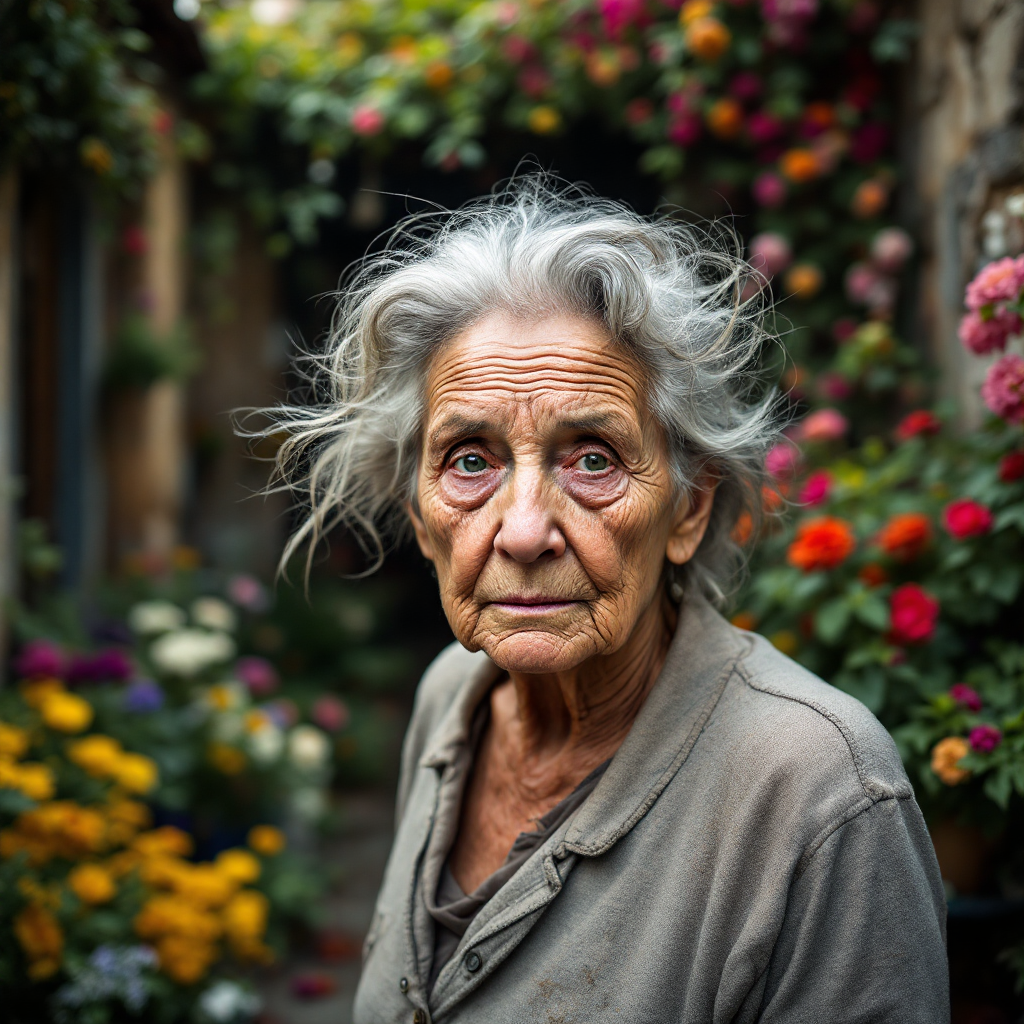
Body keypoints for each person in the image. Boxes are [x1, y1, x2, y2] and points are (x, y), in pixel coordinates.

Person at [262, 179, 949, 1023]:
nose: (521, 532)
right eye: (470, 460)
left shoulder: (819, 794)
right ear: (420, 513)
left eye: (592, 459)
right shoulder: (453, 695)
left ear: (689, 509)